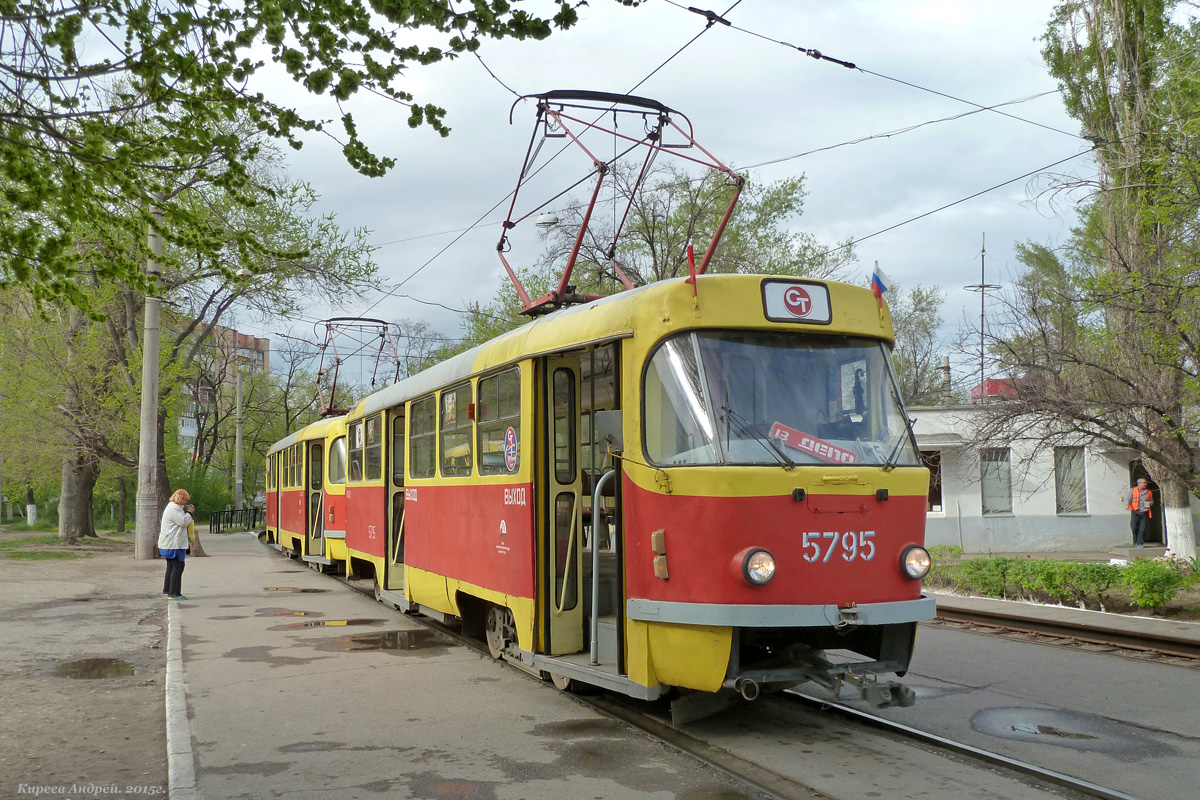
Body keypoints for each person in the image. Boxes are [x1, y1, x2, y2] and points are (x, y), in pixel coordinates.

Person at [159, 489, 196, 599]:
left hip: (169, 542)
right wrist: (189, 513)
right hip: (174, 543)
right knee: (177, 566)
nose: (186, 503)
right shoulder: (175, 508)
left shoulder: (171, 507)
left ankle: (168, 589)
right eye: (185, 500)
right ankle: (174, 592)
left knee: (171, 566)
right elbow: (183, 522)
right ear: (180, 498)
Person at [1121, 477, 1153, 548]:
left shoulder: (1148, 492)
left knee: (1142, 528)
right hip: (1135, 511)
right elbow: (1128, 498)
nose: (1145, 484)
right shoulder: (1133, 490)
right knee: (1134, 527)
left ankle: (1140, 543)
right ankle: (1137, 540)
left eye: (1146, 483)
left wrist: (1150, 503)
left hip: (1144, 512)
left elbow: (1151, 501)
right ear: (1139, 483)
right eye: (1144, 483)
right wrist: (1127, 505)